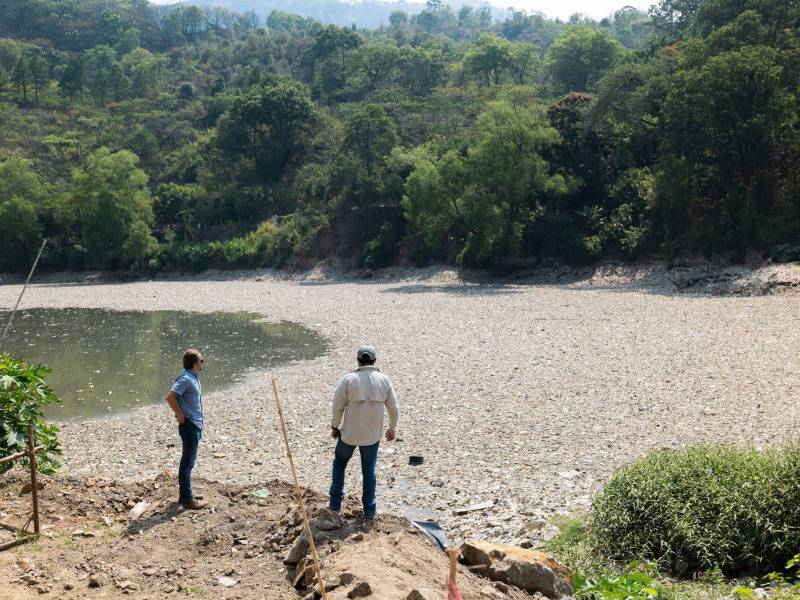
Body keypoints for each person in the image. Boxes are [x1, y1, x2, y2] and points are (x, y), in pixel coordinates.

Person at [329, 345, 399, 519]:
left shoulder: (348, 379)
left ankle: (335, 504)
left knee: (340, 463)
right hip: (372, 436)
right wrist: (392, 428)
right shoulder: (384, 379)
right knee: (369, 471)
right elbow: (394, 408)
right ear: (374, 360)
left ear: (358, 360)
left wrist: (335, 427)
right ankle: (369, 510)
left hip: (349, 434)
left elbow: (337, 406)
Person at [165, 348, 207, 510]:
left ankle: (186, 495)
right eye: (201, 360)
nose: (202, 363)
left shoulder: (193, 377)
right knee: (187, 463)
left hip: (194, 424)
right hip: (189, 425)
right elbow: (170, 397)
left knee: (188, 462)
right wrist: (179, 415)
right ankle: (187, 499)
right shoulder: (186, 379)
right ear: (195, 363)